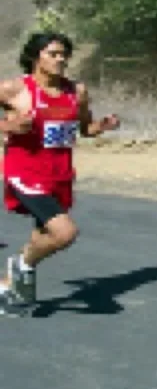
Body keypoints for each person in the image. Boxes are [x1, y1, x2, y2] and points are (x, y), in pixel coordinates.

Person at [0, 32, 120, 312]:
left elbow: (85, 129)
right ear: (35, 56)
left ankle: (9, 285)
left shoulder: (76, 91)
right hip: (25, 171)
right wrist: (7, 128)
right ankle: (21, 265)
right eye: (53, 54)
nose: (61, 59)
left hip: (60, 174)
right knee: (64, 233)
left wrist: (102, 126)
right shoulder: (15, 89)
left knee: (42, 235)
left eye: (64, 54)